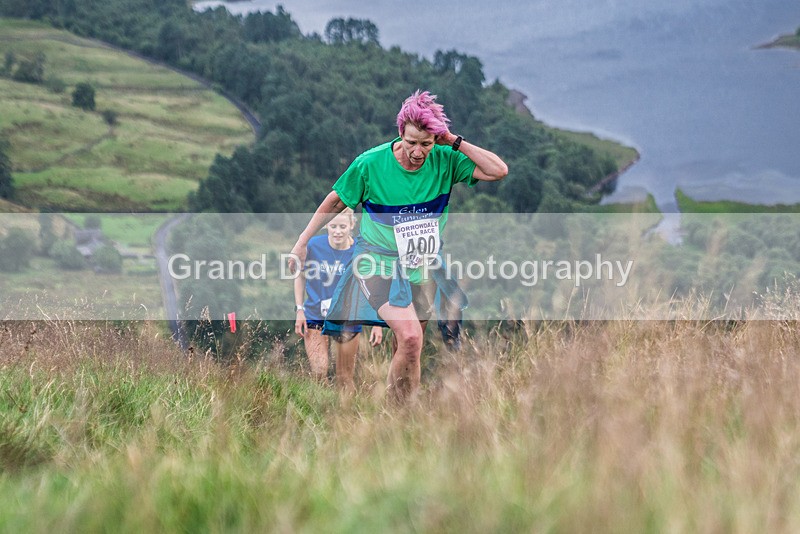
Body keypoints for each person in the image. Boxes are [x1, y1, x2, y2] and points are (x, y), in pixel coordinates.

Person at [289, 90, 508, 402]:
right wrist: (303, 241)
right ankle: (397, 410)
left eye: (426, 144)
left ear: (436, 139)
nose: (418, 152)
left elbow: (498, 171)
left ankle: (398, 415)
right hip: (376, 262)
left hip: (423, 265)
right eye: (411, 142)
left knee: (408, 349)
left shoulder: (445, 158)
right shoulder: (370, 164)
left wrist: (452, 141)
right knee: (411, 337)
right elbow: (336, 201)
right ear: (400, 133)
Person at [293, 209, 382, 392]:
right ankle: (322, 407)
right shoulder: (314, 246)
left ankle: (345, 409)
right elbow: (300, 276)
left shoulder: (359, 251)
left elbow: (373, 285)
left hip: (347, 318)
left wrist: (377, 322)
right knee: (319, 372)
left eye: (342, 226)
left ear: (351, 225)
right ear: (326, 225)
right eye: (333, 226)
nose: (338, 231)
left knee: (345, 378)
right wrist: (299, 310)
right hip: (315, 315)